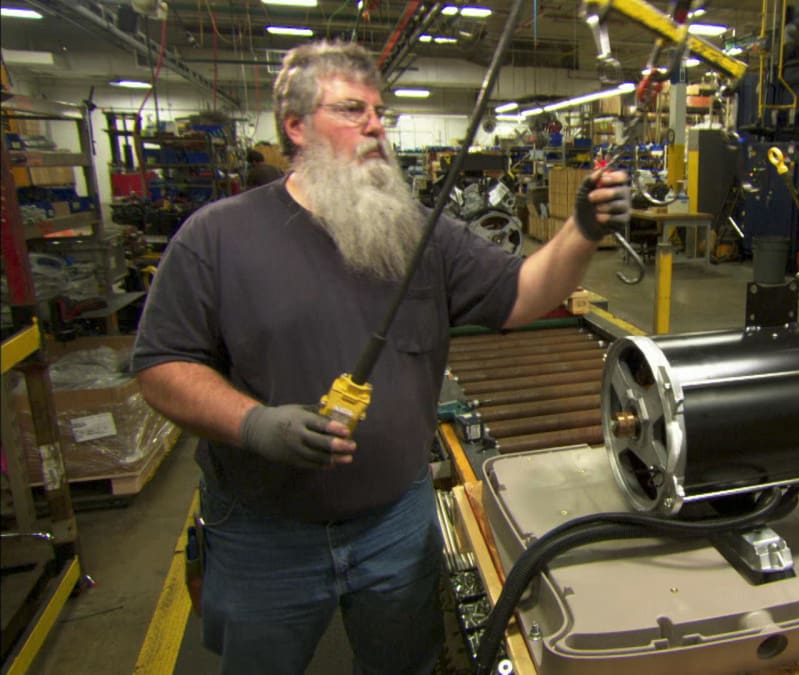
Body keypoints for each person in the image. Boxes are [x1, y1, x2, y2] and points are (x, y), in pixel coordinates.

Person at [132, 40, 630, 674]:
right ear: (295, 126)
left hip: (396, 522)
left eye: (378, 112)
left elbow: (522, 295)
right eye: (350, 110)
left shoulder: (419, 232)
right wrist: (255, 424)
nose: (374, 125)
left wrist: (581, 229)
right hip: (264, 532)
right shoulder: (218, 236)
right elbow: (160, 366)